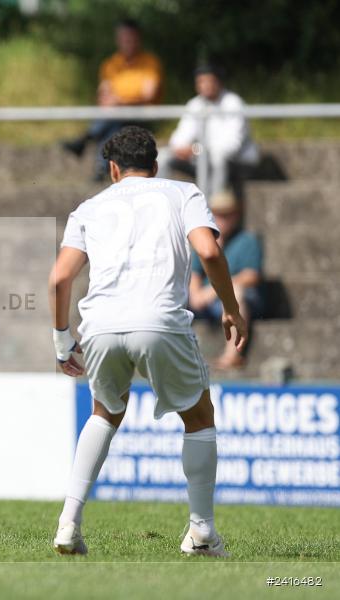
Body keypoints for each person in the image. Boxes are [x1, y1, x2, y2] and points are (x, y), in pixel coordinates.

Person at [48, 126, 247, 557]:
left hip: (99, 324)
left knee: (104, 412)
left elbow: (60, 277)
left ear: (113, 169)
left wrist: (62, 339)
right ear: (155, 166)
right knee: (198, 415)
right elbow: (209, 252)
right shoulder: (182, 193)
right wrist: (230, 307)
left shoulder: (89, 207)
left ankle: (68, 522)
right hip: (159, 320)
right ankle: (201, 533)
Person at [61, 19, 163, 179]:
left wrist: (120, 102)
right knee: (114, 124)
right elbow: (103, 94)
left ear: (138, 39)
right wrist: (116, 103)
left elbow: (148, 95)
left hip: (142, 114)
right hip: (116, 115)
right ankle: (101, 167)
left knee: (112, 119)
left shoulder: (149, 62)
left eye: (130, 38)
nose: (127, 42)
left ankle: (88, 141)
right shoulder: (110, 64)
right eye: (123, 38)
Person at [157, 65, 259, 196]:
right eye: (200, 82)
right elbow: (179, 138)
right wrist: (182, 149)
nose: (204, 85)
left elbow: (231, 147)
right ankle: (162, 201)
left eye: (208, 81)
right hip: (202, 157)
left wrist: (196, 150)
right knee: (163, 156)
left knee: (218, 157)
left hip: (238, 162)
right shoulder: (195, 104)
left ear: (219, 82)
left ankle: (212, 207)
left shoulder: (234, 103)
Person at [189, 190, 262, 370]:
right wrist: (196, 293)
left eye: (226, 214)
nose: (221, 219)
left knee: (237, 292)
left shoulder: (247, 240)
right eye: (217, 214)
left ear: (236, 215)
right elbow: (194, 274)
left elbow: (251, 275)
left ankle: (232, 354)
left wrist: (211, 292)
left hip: (234, 300)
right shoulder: (205, 239)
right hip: (206, 303)